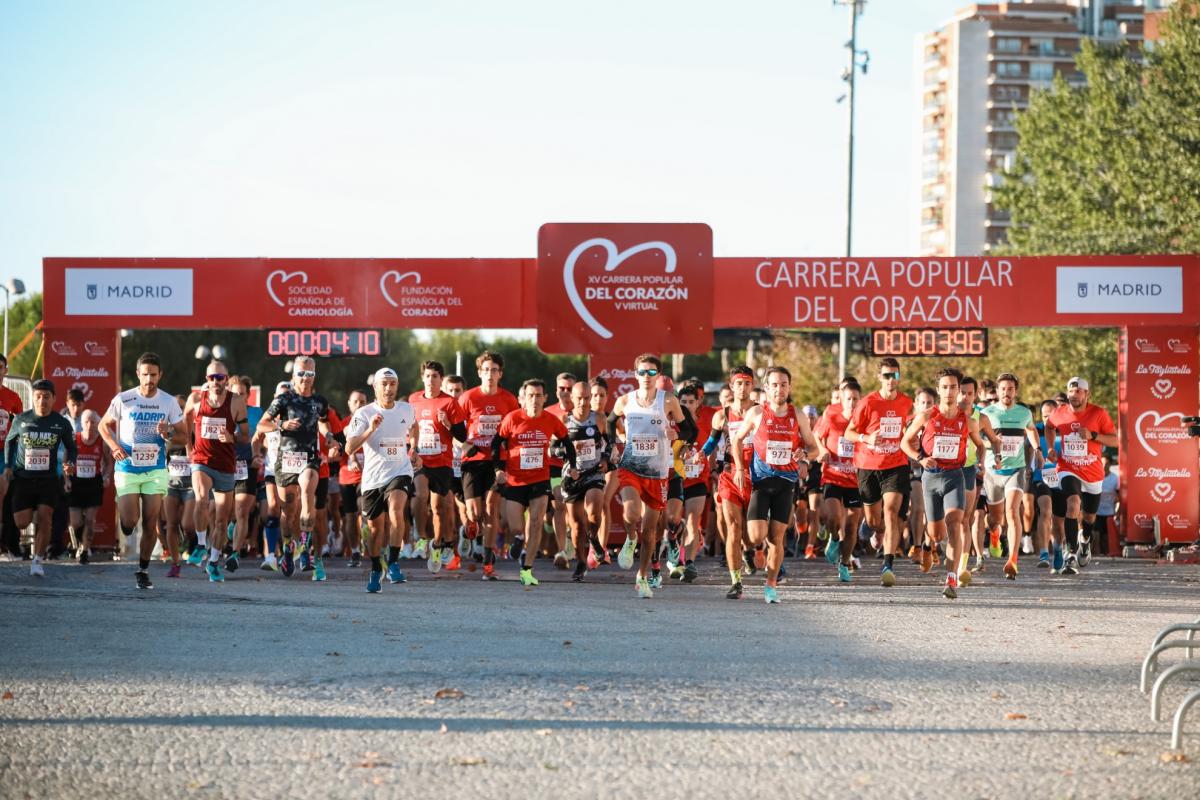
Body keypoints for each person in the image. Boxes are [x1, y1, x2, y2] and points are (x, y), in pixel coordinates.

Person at [99, 353, 187, 590]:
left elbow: (184, 436)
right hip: (128, 467)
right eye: (145, 374)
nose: (149, 379)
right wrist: (115, 446)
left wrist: (167, 433)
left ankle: (143, 570)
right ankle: (126, 525)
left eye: (154, 375)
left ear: (160, 375)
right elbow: (103, 425)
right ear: (138, 374)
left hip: (155, 469)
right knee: (130, 521)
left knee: (150, 522)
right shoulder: (124, 399)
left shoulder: (168, 402)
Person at [729, 367, 817, 603]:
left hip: (785, 483)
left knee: (777, 537)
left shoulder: (797, 415)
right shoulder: (757, 413)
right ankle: (756, 550)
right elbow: (736, 440)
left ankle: (770, 585)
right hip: (761, 482)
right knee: (757, 536)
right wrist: (739, 468)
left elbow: (814, 447)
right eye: (774, 385)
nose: (779, 389)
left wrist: (805, 457)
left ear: (789, 387)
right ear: (766, 388)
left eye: (784, 384)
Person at [610, 355, 693, 599]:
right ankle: (629, 537)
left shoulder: (667, 400)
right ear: (635, 375)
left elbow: (688, 429)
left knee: (651, 532)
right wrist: (614, 444)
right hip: (631, 466)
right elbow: (611, 421)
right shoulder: (625, 400)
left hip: (657, 472)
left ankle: (643, 576)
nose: (647, 377)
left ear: (658, 376)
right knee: (631, 513)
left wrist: (675, 434)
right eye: (642, 372)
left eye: (651, 372)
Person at [901, 368, 984, 599]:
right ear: (938, 390)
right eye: (945, 387)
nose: (949, 391)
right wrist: (920, 458)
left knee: (954, 522)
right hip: (931, 476)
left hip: (954, 476)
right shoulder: (927, 416)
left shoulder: (967, 420)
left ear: (959, 390)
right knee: (937, 534)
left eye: (953, 387)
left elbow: (980, 445)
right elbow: (905, 442)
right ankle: (928, 545)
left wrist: (982, 462)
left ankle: (951, 577)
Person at [491, 378, 577, 587]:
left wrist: (572, 465)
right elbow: (496, 444)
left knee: (537, 522)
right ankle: (519, 539)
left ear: (545, 398)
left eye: (539, 396)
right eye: (531, 395)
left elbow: (567, 442)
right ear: (524, 398)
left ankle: (527, 569)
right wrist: (498, 470)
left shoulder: (550, 419)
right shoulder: (512, 419)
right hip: (515, 481)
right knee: (515, 526)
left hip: (540, 479)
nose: (535, 400)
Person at [257, 356, 332, 581]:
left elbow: (323, 420)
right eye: (301, 374)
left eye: (309, 374)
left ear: (314, 376)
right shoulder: (284, 400)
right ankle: (288, 547)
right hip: (286, 461)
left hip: (309, 458)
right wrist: (281, 424)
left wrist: (328, 436)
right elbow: (262, 424)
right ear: (293, 376)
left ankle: (306, 548)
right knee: (287, 513)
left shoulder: (320, 401)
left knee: (308, 492)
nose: (305, 378)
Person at [345, 368, 419, 593]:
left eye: (392, 384)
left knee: (397, 511)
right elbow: (349, 447)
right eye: (384, 384)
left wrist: (414, 447)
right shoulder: (364, 413)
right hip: (373, 478)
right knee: (375, 531)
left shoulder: (406, 409)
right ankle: (377, 567)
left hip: (400, 471)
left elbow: (414, 426)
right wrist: (370, 430)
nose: (388, 389)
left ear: (397, 386)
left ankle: (394, 562)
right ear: (375, 387)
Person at [844, 358, 914, 587]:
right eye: (886, 375)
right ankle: (873, 528)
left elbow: (912, 428)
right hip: (868, 465)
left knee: (892, 511)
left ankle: (888, 564)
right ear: (879, 377)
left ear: (899, 377)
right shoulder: (868, 403)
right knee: (876, 520)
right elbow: (849, 433)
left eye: (894, 375)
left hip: (896, 464)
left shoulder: (907, 402)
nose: (891, 380)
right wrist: (867, 438)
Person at [1045, 377, 1118, 575]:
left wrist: (1094, 436)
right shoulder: (1059, 412)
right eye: (1071, 391)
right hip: (1067, 467)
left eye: (1079, 391)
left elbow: (1115, 441)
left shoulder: (1098, 413)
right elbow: (1049, 427)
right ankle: (1070, 555)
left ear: (1087, 394)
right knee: (1073, 503)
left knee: (1089, 516)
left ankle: (1085, 539)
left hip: (1092, 472)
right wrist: (1051, 448)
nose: (1074, 395)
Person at [184, 360, 249, 582]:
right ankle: (201, 545)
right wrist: (189, 449)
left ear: (226, 378)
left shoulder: (237, 402)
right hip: (201, 461)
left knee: (222, 521)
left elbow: (245, 435)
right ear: (206, 378)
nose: (215, 382)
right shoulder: (195, 399)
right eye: (211, 377)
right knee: (201, 499)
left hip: (226, 465)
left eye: (219, 378)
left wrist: (232, 437)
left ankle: (213, 562)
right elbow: (184, 425)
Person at [457, 351, 519, 580]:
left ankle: (488, 563)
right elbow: (452, 428)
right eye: (486, 370)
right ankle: (471, 530)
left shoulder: (509, 400)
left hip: (497, 461)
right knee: (475, 512)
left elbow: (515, 429)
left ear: (500, 373)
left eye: (494, 370)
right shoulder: (468, 398)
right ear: (479, 373)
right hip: (472, 460)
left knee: (492, 507)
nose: (490, 374)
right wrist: (464, 445)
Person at [6, 379, 76, 577]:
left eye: (46, 397)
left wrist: (70, 463)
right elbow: (10, 442)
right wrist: (9, 466)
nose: (42, 400)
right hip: (23, 478)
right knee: (21, 522)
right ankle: (33, 514)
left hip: (48, 479)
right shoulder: (21, 419)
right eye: (38, 396)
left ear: (54, 399)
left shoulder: (61, 423)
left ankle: (37, 560)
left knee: (46, 517)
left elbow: (71, 447)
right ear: (33, 398)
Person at [978, 372, 1041, 580]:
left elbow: (1031, 430)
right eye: (1003, 389)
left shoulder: (1024, 413)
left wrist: (1037, 449)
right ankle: (994, 534)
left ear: (1016, 391)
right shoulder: (986, 413)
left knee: (1013, 512)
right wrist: (994, 443)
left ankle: (1013, 560)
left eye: (1011, 389)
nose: (1007, 392)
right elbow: (977, 439)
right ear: (997, 391)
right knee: (995, 518)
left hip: (1016, 468)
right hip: (993, 471)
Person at [409, 360, 469, 572]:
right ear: (422, 378)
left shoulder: (450, 403)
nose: (431, 380)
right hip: (420, 459)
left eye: (435, 377)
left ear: (440, 380)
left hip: (442, 462)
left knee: (439, 509)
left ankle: (436, 544)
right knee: (419, 494)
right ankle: (421, 537)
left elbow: (463, 436)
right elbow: (407, 428)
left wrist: (448, 425)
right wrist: (411, 447)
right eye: (427, 376)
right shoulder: (413, 400)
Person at [703, 366, 757, 597]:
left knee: (752, 533)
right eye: (738, 383)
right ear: (732, 385)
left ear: (752, 385)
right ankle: (736, 581)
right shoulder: (721, 415)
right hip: (730, 475)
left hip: (757, 477)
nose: (742, 388)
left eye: (747, 383)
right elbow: (711, 442)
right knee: (734, 528)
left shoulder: (761, 412)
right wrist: (698, 454)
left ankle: (750, 551)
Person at [813, 377, 864, 583]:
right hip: (833, 475)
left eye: (855, 399)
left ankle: (844, 564)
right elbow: (816, 436)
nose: (852, 403)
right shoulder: (831, 415)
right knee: (833, 518)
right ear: (841, 399)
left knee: (852, 526)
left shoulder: (864, 420)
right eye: (848, 399)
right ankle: (834, 539)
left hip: (855, 480)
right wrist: (823, 449)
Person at [560, 380, 610, 582]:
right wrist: (568, 452)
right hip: (572, 476)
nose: (583, 402)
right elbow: (552, 449)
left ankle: (594, 539)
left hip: (593, 472)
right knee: (577, 525)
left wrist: (606, 459)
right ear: (572, 398)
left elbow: (609, 443)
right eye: (579, 398)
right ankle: (581, 562)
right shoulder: (564, 420)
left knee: (594, 512)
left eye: (587, 398)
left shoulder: (598, 418)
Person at [229, 375, 264, 567]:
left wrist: (260, 454)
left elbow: (266, 437)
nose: (238, 397)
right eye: (234, 393)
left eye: (242, 394)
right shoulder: (222, 412)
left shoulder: (257, 413)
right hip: (224, 466)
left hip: (247, 466)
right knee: (224, 512)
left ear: (248, 395)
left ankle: (234, 553)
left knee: (242, 510)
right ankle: (229, 529)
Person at [68, 410, 110, 563]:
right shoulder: (75, 439)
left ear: (97, 424)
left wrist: (106, 476)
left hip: (94, 483)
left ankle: (85, 550)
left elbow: (108, 464)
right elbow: (66, 461)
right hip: (77, 482)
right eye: (86, 421)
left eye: (93, 422)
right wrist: (66, 480)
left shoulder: (102, 441)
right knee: (75, 522)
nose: (90, 425)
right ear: (82, 423)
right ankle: (80, 544)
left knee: (90, 521)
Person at [338, 389, 368, 566]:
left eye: (362, 402)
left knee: (365, 511)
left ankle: (371, 547)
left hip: (367, 476)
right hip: (347, 476)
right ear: (349, 404)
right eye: (355, 402)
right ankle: (355, 552)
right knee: (350, 517)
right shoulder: (343, 425)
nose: (359, 405)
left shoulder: (373, 422)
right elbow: (335, 450)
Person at [0, 354, 25, 557]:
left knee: (4, 497)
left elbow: (20, 427)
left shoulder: (13, 398)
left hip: (4, 453)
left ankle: (6, 542)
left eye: (0, 367)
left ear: (5, 370)